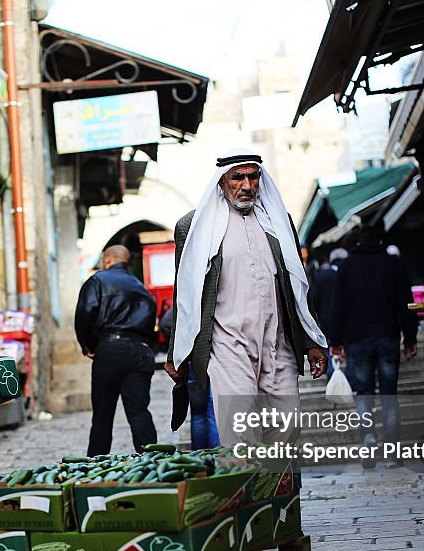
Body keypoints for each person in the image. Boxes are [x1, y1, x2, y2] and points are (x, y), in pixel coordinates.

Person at [165, 148, 328, 447]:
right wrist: (176, 350)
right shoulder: (193, 227)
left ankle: (276, 491)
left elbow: (296, 284)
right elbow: (184, 293)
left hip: (277, 343)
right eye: (237, 177)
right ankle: (248, 491)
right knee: (241, 432)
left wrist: (311, 341)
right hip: (228, 345)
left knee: (287, 426)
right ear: (222, 183)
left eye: (253, 177)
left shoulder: (278, 223)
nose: (246, 185)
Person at [326, 225, 418, 469]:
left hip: (357, 340)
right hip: (387, 336)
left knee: (364, 394)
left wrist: (335, 341)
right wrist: (410, 338)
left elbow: (339, 307)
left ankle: (368, 440)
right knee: (389, 394)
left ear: (357, 243)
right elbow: (405, 303)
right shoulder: (393, 264)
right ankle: (392, 451)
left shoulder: (346, 267)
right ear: (380, 241)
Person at [75, 244, 158, 455]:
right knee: (139, 411)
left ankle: (95, 467)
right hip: (140, 351)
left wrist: (88, 346)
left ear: (108, 259)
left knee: (103, 416)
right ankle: (154, 460)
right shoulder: (140, 286)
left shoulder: (97, 281)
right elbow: (151, 322)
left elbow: (85, 313)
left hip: (109, 349)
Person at [160, 306, 218, 449]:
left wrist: (186, 346)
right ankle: (218, 457)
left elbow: (166, 323)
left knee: (198, 414)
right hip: (217, 358)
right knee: (214, 411)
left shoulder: (192, 294)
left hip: (195, 360)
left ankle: (199, 457)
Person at [310, 247, 349, 378]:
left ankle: (332, 375)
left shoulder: (322, 276)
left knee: (328, 348)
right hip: (348, 321)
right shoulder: (349, 273)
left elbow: (313, 300)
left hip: (326, 320)